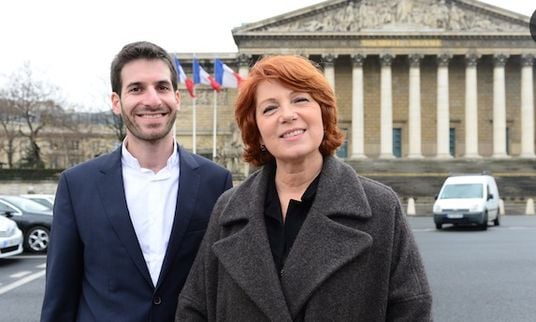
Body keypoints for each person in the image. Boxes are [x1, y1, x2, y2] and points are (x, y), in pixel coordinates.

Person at [175, 55, 432, 321]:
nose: (287, 115)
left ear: (323, 112)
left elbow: (411, 310)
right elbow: (195, 308)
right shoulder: (228, 210)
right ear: (258, 132)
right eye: (270, 109)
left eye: (300, 99)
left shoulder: (380, 207)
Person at [40, 41, 233, 322]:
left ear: (177, 98)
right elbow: (60, 295)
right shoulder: (77, 185)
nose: (152, 100)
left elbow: (223, 287)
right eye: (136, 88)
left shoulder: (216, 181)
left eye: (162, 87)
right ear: (116, 102)